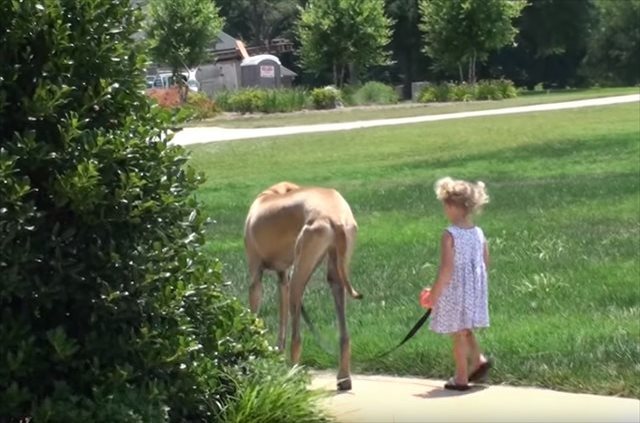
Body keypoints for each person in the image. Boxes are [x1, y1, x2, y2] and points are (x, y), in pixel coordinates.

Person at [421, 176, 492, 391]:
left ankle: (461, 377)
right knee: (465, 329)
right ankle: (478, 360)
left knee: (458, 334)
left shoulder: (449, 234)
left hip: (455, 291)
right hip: (473, 290)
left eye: (445, 206)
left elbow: (446, 269)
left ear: (452, 206)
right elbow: (485, 262)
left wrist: (433, 294)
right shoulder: (478, 233)